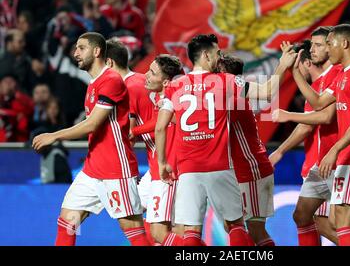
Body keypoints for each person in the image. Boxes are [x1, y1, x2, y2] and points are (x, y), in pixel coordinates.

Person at [155, 33, 296, 245]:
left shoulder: (175, 86)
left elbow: (160, 127)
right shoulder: (226, 81)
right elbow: (267, 93)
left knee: (191, 231)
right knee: (236, 226)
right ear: (205, 55)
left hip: (188, 168)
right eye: (217, 52)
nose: (220, 57)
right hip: (220, 166)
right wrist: (282, 66)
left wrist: (162, 162)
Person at [32, 32, 150, 246]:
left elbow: (92, 124)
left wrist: (54, 135)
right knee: (68, 220)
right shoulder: (93, 83)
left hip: (116, 169)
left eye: (81, 48)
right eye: (76, 48)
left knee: (132, 229)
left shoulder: (112, 80)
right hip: (93, 169)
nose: (75, 53)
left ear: (97, 51)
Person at [275, 24, 350, 246]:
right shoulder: (344, 73)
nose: (327, 49)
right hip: (346, 156)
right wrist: (294, 71)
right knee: (334, 220)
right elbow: (318, 102)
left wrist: (334, 149)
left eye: (329, 44)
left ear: (344, 44)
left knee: (341, 221)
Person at [106, 40, 184, 246]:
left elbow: (161, 124)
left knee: (162, 231)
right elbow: (158, 123)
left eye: (152, 73)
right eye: (148, 70)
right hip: (157, 167)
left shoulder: (166, 97)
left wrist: (133, 131)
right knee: (134, 213)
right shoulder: (161, 96)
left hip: (167, 168)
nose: (146, 76)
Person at [271, 27, 341, 245]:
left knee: (340, 222)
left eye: (318, 45)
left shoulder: (335, 77)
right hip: (320, 163)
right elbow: (307, 125)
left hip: (334, 161)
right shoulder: (318, 86)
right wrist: (280, 151)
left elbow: (322, 118)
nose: (313, 51)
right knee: (304, 216)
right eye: (312, 46)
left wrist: (287, 116)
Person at [217, 55, 275, 246]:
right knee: (233, 226)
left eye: (217, 70)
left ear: (225, 74)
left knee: (254, 229)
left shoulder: (233, 100)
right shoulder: (232, 97)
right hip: (243, 170)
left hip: (251, 170)